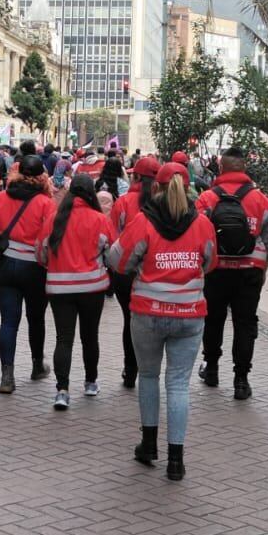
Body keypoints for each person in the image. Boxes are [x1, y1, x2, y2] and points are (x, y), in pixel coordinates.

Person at [108, 162, 217, 482]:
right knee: (179, 384)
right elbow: (211, 262)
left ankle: (149, 444)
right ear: (189, 189)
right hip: (189, 314)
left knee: (149, 377)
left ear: (154, 188)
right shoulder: (202, 224)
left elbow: (119, 261)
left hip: (148, 313)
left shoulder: (143, 222)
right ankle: (176, 460)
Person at [195, 146, 268, 401]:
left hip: (216, 271)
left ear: (221, 168)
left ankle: (211, 369)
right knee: (245, 324)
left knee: (213, 320)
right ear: (244, 168)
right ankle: (241, 380)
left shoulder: (207, 199)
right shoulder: (260, 199)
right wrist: (263, 267)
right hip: (249, 272)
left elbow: (197, 234)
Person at [0, 155, 56, 393]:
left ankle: (7, 376)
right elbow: (48, 241)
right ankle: (36, 366)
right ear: (43, 177)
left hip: (4, 267)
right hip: (35, 268)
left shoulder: (0, 198)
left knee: (8, 322)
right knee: (36, 319)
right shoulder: (46, 203)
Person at [38, 174, 114, 410]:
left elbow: (40, 253)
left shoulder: (54, 218)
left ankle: (62, 390)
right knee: (90, 336)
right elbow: (112, 254)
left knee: (64, 338)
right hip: (92, 287)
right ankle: (91, 382)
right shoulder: (100, 219)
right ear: (91, 193)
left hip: (59, 287)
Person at [109, 155, 162, 389]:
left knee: (130, 320)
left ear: (137, 176)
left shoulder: (123, 202)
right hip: (155, 272)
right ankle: (150, 369)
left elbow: (114, 237)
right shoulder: (166, 203)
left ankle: (130, 369)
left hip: (126, 273)